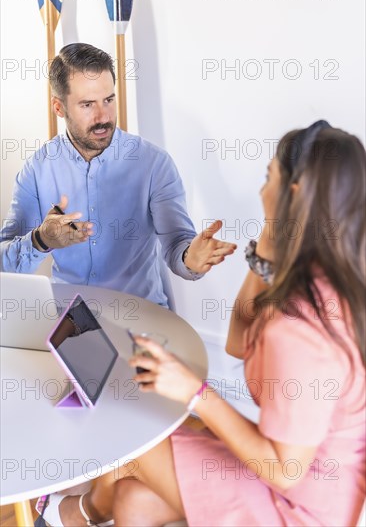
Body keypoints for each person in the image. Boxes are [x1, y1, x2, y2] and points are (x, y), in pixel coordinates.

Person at [36, 120, 365, 527]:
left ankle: (66, 515)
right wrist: (268, 247)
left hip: (300, 507)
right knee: (133, 500)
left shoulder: (302, 325)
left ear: (293, 194)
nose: (261, 190)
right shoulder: (327, 281)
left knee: (134, 441)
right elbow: (239, 344)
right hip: (311, 488)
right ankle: (74, 513)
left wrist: (194, 392)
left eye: (269, 178)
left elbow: (286, 471)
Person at [0, 43, 236, 307]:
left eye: (108, 100)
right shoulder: (37, 170)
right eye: (87, 104)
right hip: (70, 324)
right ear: (59, 107)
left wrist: (191, 258)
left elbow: (178, 245)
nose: (103, 116)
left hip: (141, 319)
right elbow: (4, 268)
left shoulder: (153, 164)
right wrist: (41, 240)